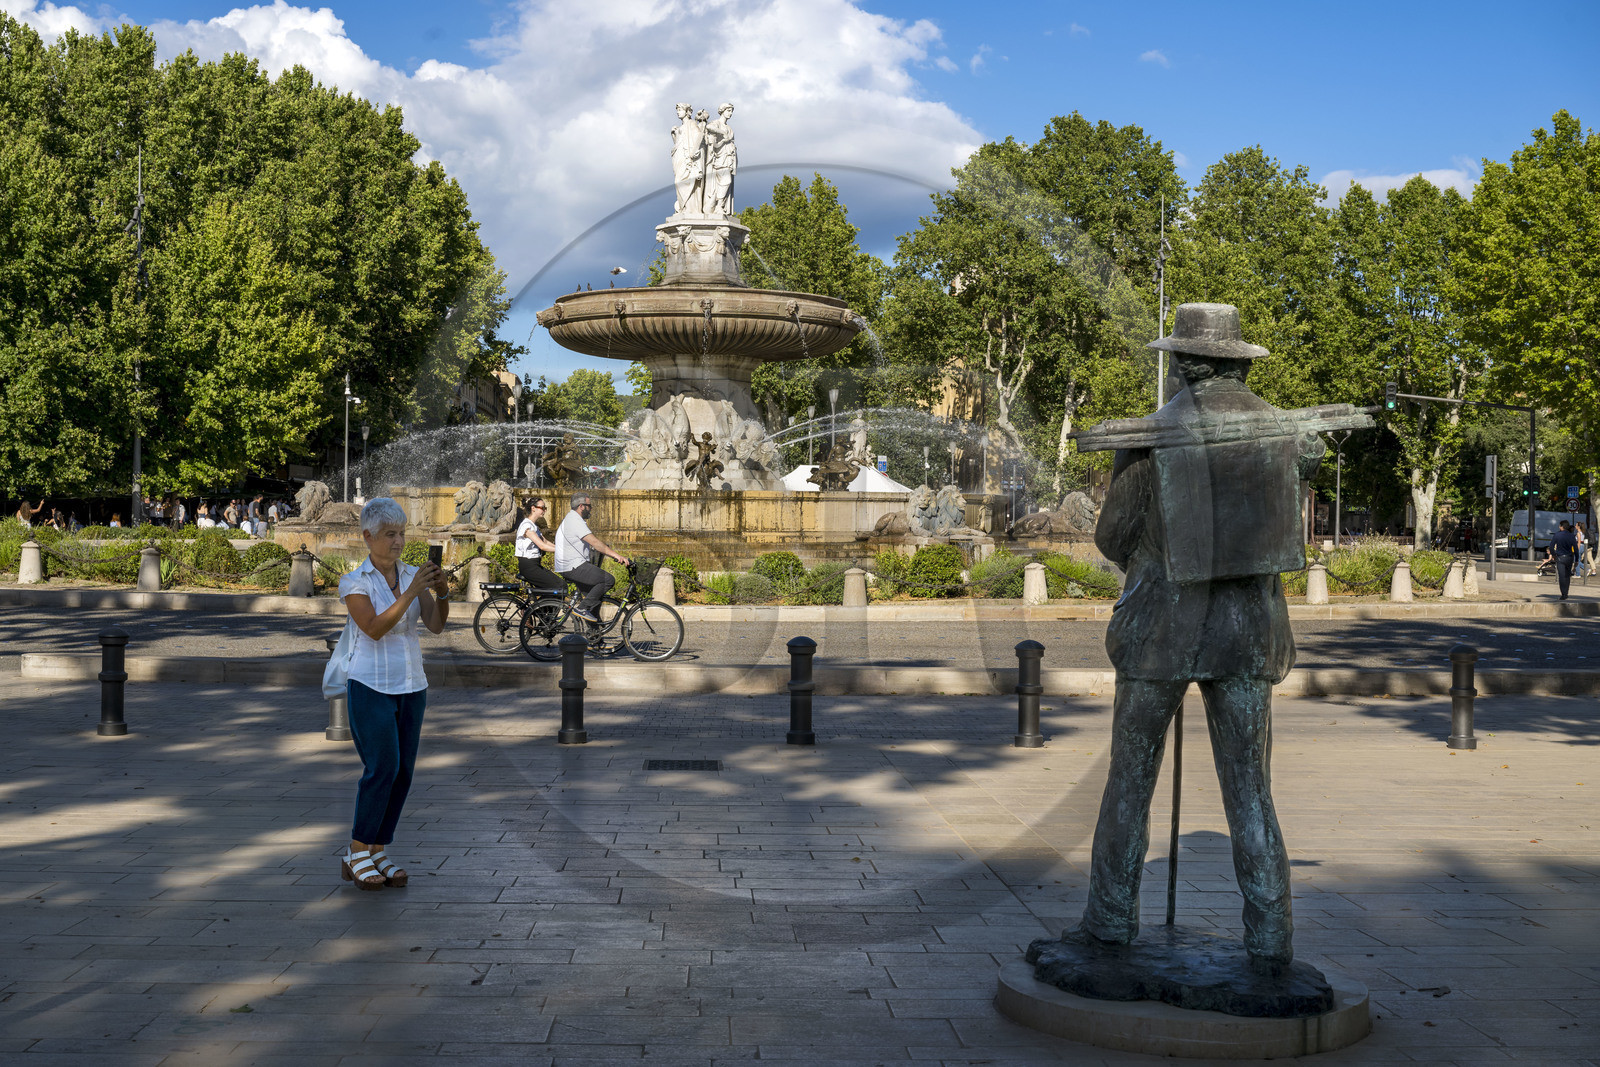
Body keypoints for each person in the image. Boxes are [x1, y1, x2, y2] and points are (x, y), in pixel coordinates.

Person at [1066, 303, 1335, 971]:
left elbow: (1111, 537)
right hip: (1246, 633)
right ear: (1239, 361)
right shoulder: (1283, 432)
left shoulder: (1153, 434)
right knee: (1251, 787)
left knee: (1130, 777)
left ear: (1185, 364)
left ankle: (1109, 920)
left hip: (1160, 627)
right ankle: (1270, 932)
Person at [337, 497, 451, 890]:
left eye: (402, 533)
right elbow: (372, 627)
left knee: (402, 773)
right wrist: (411, 591)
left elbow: (435, 625)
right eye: (390, 534)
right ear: (368, 537)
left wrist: (442, 591)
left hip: (411, 685)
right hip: (369, 685)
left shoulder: (410, 575)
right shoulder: (355, 582)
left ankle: (377, 848)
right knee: (381, 768)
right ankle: (355, 851)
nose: (399, 541)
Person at [553, 493, 630, 623]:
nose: (591, 509)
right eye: (589, 506)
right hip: (573, 566)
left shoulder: (572, 519)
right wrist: (617, 555)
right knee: (608, 580)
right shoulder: (574, 520)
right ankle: (582, 608)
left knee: (594, 601)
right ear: (581, 506)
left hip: (570, 565)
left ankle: (595, 638)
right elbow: (594, 542)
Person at [514, 498, 564, 595]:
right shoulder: (526, 526)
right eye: (542, 508)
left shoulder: (534, 526)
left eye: (545, 508)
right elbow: (542, 546)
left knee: (561, 586)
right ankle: (539, 610)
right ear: (533, 508)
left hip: (534, 565)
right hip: (528, 566)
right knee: (558, 588)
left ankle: (541, 609)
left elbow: (545, 541)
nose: (545, 510)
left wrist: (562, 547)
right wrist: (561, 551)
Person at [1551, 519, 1579, 600]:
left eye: (1559, 525)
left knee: (1562, 576)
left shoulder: (1557, 535)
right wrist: (1577, 559)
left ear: (1562, 527)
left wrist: (1553, 555)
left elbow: (1551, 546)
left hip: (1560, 557)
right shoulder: (1571, 536)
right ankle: (1566, 592)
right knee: (1567, 576)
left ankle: (1563, 594)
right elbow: (1575, 549)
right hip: (1569, 557)